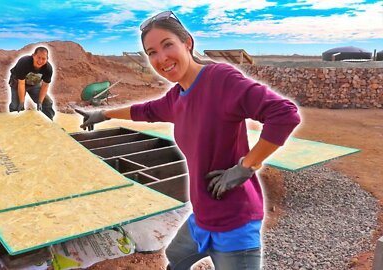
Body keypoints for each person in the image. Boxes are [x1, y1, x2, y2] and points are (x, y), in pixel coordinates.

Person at [75, 11, 301, 270]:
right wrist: (102, 113)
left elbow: (284, 114)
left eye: (167, 45)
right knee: (175, 258)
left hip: (234, 222)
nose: (161, 58)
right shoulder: (177, 96)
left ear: (188, 43)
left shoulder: (220, 80)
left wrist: (246, 166)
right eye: (152, 53)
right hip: (201, 217)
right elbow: (145, 111)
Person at [8, 46, 55, 120]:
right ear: (33, 56)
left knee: (47, 103)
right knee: (16, 106)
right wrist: (21, 102)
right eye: (38, 57)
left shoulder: (48, 69)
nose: (40, 61)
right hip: (18, 83)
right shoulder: (24, 62)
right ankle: (16, 124)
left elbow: (45, 86)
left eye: (43, 59)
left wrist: (40, 101)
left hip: (34, 84)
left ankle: (50, 123)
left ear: (47, 59)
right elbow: (21, 84)